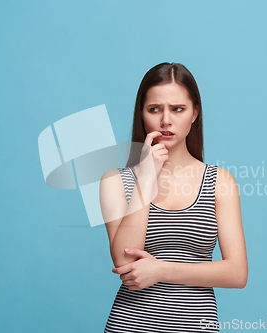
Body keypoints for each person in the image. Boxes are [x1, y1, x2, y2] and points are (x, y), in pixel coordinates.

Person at [99, 62, 248, 332]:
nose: (165, 120)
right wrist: (145, 177)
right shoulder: (115, 181)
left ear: (195, 113)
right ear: (141, 114)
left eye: (177, 109)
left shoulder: (220, 182)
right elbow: (125, 263)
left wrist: (162, 270)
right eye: (154, 109)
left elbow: (237, 273)